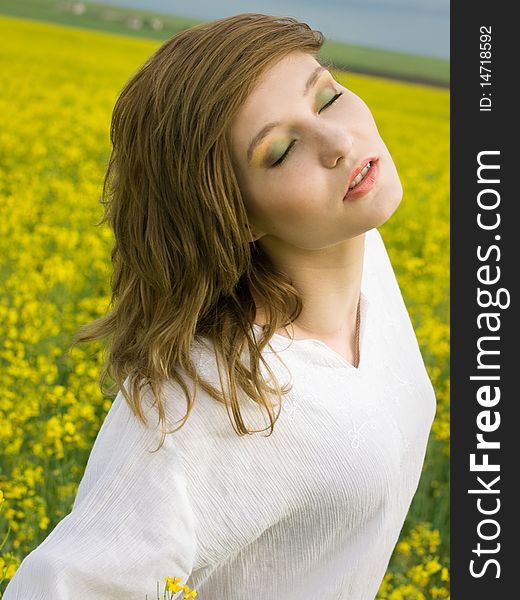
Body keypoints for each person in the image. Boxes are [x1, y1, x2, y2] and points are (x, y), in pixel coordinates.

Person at [3, 12, 437, 600]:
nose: (340, 143)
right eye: (281, 151)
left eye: (328, 97)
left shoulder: (365, 257)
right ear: (232, 214)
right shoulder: (210, 405)